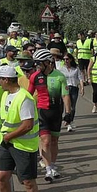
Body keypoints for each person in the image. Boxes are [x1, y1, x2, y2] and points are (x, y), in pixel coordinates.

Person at [0, 64, 41, 192]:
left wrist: (9, 137)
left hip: (23, 146)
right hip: (7, 143)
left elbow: (27, 125)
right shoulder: (6, 95)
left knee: (28, 182)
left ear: (6, 80)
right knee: (1, 177)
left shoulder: (24, 98)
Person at [29, 49, 66, 183]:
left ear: (47, 62)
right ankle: (48, 168)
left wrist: (68, 112)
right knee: (45, 141)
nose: (37, 66)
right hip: (42, 112)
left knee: (54, 141)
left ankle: (52, 165)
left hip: (56, 112)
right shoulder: (34, 76)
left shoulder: (59, 76)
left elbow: (65, 95)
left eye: (39, 63)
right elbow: (28, 95)